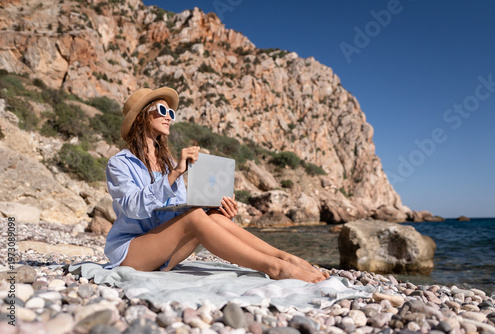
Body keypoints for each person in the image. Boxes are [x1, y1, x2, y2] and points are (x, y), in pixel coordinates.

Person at [104, 87, 328, 283]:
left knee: (210, 216)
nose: (169, 117)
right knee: (194, 217)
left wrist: (214, 211)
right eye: (163, 111)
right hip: (132, 253)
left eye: (171, 113)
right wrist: (174, 174)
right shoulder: (119, 163)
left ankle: (284, 257)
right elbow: (132, 207)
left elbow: (179, 212)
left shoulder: (168, 163)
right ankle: (276, 268)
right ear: (142, 117)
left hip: (165, 252)